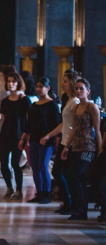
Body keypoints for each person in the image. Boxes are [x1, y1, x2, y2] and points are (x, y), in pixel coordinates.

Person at [60, 78, 101, 220]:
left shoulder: (92, 107)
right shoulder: (75, 108)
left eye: (81, 88)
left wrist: (100, 149)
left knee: (72, 175)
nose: (78, 91)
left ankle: (80, 206)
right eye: (76, 88)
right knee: (80, 178)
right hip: (76, 146)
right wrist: (66, 147)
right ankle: (81, 210)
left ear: (88, 91)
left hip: (88, 147)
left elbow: (97, 129)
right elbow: (74, 129)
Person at [40, 73, 79, 214]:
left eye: (66, 82)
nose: (63, 84)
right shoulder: (68, 100)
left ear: (73, 83)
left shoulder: (75, 102)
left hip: (70, 142)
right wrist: (49, 135)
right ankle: (68, 202)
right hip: (64, 140)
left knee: (63, 172)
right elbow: (64, 124)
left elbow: (74, 125)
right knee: (59, 172)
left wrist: (67, 145)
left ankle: (70, 203)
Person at [22, 77, 60, 204]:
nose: (38, 89)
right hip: (34, 140)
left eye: (41, 86)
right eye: (37, 86)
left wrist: (51, 137)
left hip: (46, 141)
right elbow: (28, 124)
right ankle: (39, 192)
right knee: (35, 167)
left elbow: (57, 124)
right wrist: (23, 138)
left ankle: (47, 194)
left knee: (43, 166)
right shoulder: (34, 105)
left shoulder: (52, 105)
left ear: (48, 88)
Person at [0, 73, 31, 200]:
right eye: (9, 81)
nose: (11, 84)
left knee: (15, 163)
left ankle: (19, 190)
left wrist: (26, 136)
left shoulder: (24, 100)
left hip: (18, 134)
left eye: (13, 81)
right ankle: (9, 187)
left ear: (18, 83)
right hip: (6, 134)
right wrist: (0, 135)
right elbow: (3, 119)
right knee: (4, 164)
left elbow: (28, 120)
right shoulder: (5, 102)